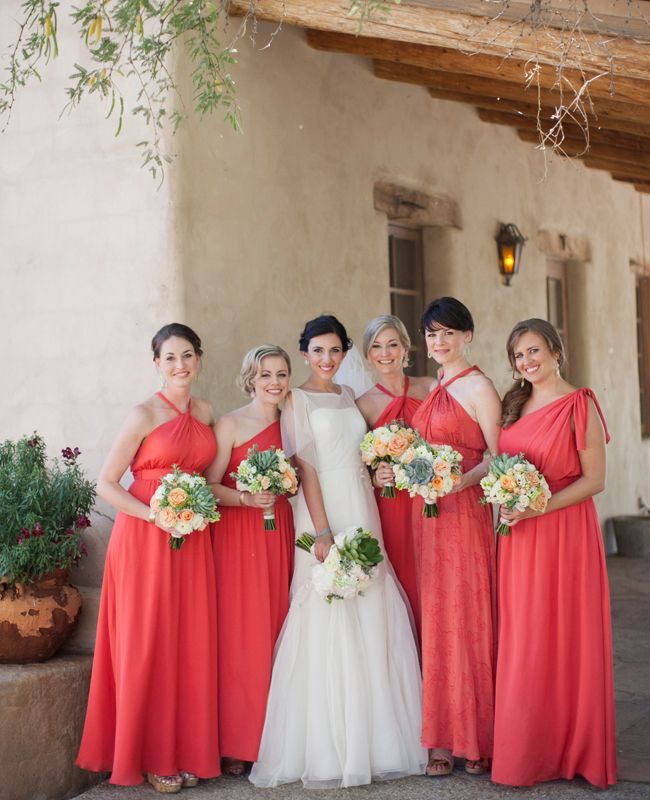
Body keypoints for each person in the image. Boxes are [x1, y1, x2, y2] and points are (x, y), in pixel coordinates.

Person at [249, 314, 426, 789]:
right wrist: (322, 531)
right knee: (327, 609)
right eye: (318, 350)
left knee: (372, 604)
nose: (327, 359)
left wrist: (381, 473)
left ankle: (381, 740)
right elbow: (307, 469)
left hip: (362, 504)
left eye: (335, 350)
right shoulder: (296, 399)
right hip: (322, 511)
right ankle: (329, 747)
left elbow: (362, 455)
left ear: (345, 353)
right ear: (304, 352)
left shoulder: (349, 397)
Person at [76, 323, 220, 792]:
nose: (180, 365)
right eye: (170, 357)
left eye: (187, 356)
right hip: (145, 539)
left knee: (189, 641)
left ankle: (188, 749)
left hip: (193, 539)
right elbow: (106, 483)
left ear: (199, 359)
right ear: (157, 364)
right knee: (149, 642)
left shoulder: (206, 410)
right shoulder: (143, 414)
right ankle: (154, 756)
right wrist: (154, 517)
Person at [492, 318, 617, 788]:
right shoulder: (515, 403)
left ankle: (573, 750)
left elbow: (594, 481)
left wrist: (536, 505)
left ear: (556, 351)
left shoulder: (579, 404)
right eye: (518, 356)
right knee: (525, 638)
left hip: (563, 532)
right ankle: (527, 751)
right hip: (518, 536)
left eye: (533, 351)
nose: (526, 362)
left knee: (565, 634)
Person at [411, 297, 501, 777]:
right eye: (431, 334)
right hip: (426, 516)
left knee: (464, 616)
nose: (439, 342)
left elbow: (497, 455)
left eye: (448, 332)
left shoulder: (479, 386)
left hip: (462, 512)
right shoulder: (434, 385)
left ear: (467, 334)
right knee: (435, 620)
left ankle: (474, 737)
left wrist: (459, 482)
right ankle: (440, 737)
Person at [206, 345, 294, 777]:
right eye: (265, 375)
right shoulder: (231, 423)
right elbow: (208, 485)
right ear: (250, 379)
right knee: (242, 634)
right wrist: (244, 496)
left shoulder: (294, 422)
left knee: (278, 627)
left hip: (280, 533)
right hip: (238, 536)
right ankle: (236, 741)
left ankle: (271, 737)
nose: (274, 382)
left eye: (281, 374)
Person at [357, 315, 432, 633]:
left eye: (392, 344)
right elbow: (357, 461)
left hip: (430, 496)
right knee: (401, 576)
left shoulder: (429, 387)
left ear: (405, 348)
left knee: (431, 575)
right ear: (368, 354)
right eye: (376, 346)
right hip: (391, 505)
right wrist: (375, 475)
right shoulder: (363, 404)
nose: (385, 353)